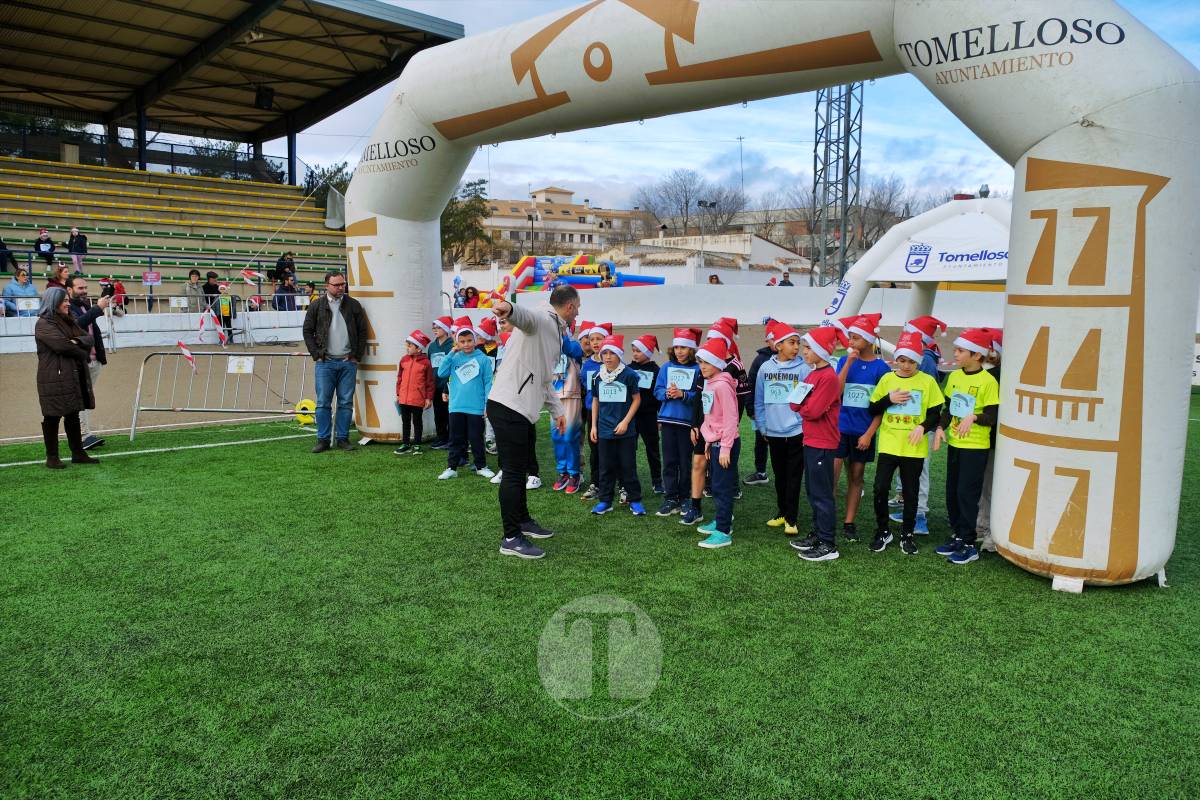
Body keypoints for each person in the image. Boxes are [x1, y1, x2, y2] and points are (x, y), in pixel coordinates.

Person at [486, 285, 579, 560]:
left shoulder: (555, 328)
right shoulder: (543, 318)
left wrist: (557, 411)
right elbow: (525, 317)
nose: (578, 312)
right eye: (578, 308)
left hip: (521, 409)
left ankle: (523, 521)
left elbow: (544, 378)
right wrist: (509, 309)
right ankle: (511, 538)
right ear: (570, 306)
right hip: (509, 406)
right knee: (513, 473)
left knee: (522, 469)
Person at [868, 330, 945, 555]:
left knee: (911, 493)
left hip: (914, 447)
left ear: (918, 361)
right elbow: (872, 408)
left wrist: (922, 427)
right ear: (896, 359)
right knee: (880, 488)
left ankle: (907, 534)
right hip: (889, 444)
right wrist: (888, 399)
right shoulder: (887, 379)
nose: (906, 365)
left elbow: (935, 413)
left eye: (911, 361)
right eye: (902, 360)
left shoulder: (927, 381)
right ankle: (883, 531)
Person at [932, 328, 1001, 566]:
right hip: (955, 444)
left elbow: (992, 416)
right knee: (952, 492)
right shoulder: (954, 377)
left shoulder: (988, 381)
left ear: (977, 355)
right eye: (956, 350)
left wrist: (974, 417)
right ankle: (958, 535)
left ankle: (969, 544)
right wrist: (940, 428)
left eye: (961, 351)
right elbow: (948, 409)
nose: (955, 354)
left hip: (976, 447)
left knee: (966, 493)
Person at [833, 314, 890, 543]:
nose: (851, 342)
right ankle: (826, 519)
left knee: (856, 476)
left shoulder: (881, 369)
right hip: (839, 429)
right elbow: (836, 393)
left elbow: (881, 407)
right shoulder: (843, 361)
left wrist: (869, 434)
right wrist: (848, 363)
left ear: (868, 340)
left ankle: (849, 522)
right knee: (832, 475)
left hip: (863, 432)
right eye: (850, 337)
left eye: (856, 338)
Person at [791, 327, 845, 562]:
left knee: (822, 494)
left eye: (808, 347)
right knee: (813, 491)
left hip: (823, 441)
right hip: (811, 439)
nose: (804, 351)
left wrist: (805, 405)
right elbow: (794, 403)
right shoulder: (813, 374)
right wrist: (805, 405)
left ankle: (828, 544)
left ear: (822, 351)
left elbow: (811, 411)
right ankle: (818, 534)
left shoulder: (828, 377)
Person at [889, 315, 947, 534]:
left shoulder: (926, 360)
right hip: (909, 425)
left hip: (920, 427)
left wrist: (923, 425)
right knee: (910, 469)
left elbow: (925, 396)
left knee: (920, 471)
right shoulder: (924, 356)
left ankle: (919, 516)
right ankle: (909, 508)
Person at [754, 321, 810, 536]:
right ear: (778, 345)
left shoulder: (804, 369)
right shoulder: (765, 368)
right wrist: (763, 427)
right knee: (779, 476)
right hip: (773, 432)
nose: (796, 347)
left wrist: (801, 425)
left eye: (798, 343)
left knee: (794, 476)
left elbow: (808, 401)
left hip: (796, 433)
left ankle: (791, 518)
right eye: (791, 343)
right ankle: (782, 512)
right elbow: (759, 400)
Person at [302, 271, 368, 452]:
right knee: (323, 402)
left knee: (345, 402)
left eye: (343, 284)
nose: (341, 287)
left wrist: (356, 355)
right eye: (336, 285)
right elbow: (307, 331)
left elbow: (363, 331)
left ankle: (342, 438)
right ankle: (323, 440)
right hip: (325, 362)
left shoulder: (353, 305)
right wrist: (316, 354)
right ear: (327, 286)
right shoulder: (316, 306)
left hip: (348, 362)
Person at [34, 287, 99, 469]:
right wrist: (80, 350)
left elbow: (89, 339)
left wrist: (76, 341)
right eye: (64, 300)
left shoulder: (69, 320)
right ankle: (52, 457)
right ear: (53, 302)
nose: (68, 303)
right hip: (53, 377)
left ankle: (78, 453)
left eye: (67, 300)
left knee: (73, 413)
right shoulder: (43, 323)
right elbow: (62, 346)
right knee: (52, 416)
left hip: (71, 374)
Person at [589, 334, 645, 516]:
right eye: (604, 353)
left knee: (628, 466)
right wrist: (594, 426)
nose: (608, 357)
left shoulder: (629, 375)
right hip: (604, 430)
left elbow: (637, 400)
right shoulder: (597, 376)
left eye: (612, 353)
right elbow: (595, 400)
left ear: (619, 354)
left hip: (625, 431)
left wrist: (625, 422)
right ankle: (605, 501)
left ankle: (635, 500)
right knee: (605, 467)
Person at [693, 337, 740, 549]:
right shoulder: (710, 383)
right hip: (715, 442)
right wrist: (708, 441)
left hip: (725, 444)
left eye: (708, 362)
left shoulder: (722, 386)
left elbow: (731, 418)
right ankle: (722, 520)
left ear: (718, 364)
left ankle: (723, 531)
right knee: (717, 486)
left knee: (722, 486)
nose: (702, 366)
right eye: (701, 362)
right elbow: (710, 416)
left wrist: (725, 448)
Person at [653, 327, 701, 518]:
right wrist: (667, 393)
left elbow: (699, 396)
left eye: (684, 347)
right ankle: (671, 497)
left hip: (687, 424)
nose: (680, 351)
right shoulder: (666, 368)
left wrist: (683, 394)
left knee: (685, 461)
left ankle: (685, 497)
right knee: (669, 461)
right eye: (677, 347)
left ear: (691, 350)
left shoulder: (698, 369)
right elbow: (657, 391)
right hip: (667, 421)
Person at [436, 324, 495, 479]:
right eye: (462, 341)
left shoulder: (483, 359)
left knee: (476, 438)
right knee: (455, 438)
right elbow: (441, 373)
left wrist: (487, 404)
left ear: (475, 340)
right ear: (457, 342)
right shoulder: (454, 358)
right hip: (456, 406)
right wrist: (451, 353)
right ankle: (452, 468)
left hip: (476, 407)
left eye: (469, 340)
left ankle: (481, 466)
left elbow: (488, 383)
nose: (466, 344)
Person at [66, 275, 112, 450]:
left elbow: (92, 329)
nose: (84, 291)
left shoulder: (84, 305)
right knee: (80, 398)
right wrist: (97, 308)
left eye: (85, 288)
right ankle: (84, 436)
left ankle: (84, 435)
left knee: (84, 398)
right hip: (80, 361)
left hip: (93, 359)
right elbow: (76, 326)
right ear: (69, 290)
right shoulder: (66, 307)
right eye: (80, 288)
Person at [550, 322, 586, 494]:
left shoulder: (574, 345)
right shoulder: (550, 347)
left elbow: (570, 349)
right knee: (557, 436)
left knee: (570, 436)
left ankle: (574, 473)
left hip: (571, 396)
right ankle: (563, 472)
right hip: (555, 398)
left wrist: (562, 332)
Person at [976, 328, 1003, 551]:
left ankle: (988, 532)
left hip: (991, 439)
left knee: (988, 487)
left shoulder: (994, 376)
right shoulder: (992, 374)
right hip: (984, 439)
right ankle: (982, 527)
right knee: (984, 486)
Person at [579, 321, 612, 498]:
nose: (595, 342)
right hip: (593, 411)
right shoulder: (587, 365)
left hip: (611, 412)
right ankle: (595, 483)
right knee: (595, 448)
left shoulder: (612, 361)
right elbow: (586, 385)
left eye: (599, 338)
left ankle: (616, 483)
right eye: (592, 339)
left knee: (611, 448)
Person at [743, 321, 777, 486]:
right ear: (767, 341)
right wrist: (751, 410)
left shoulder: (793, 361)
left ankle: (785, 472)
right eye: (773, 339)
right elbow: (750, 384)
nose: (777, 342)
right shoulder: (760, 360)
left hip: (783, 414)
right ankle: (761, 472)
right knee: (761, 442)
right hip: (762, 410)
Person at [630, 334, 663, 494]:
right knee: (629, 449)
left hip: (649, 416)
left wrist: (659, 417)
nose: (635, 354)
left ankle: (657, 481)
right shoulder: (628, 369)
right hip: (630, 417)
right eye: (633, 351)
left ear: (648, 352)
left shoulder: (656, 371)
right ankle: (628, 480)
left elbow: (659, 396)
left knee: (653, 449)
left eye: (639, 351)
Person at [393, 329, 435, 456]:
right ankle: (406, 443)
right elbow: (399, 378)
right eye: (407, 345)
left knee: (417, 422)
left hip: (417, 399)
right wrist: (398, 393)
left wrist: (428, 398)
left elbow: (430, 382)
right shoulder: (404, 360)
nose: (407, 348)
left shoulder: (426, 363)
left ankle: (417, 444)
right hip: (404, 398)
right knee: (405, 422)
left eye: (410, 346)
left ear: (418, 348)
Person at [428, 316, 454, 449]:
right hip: (435, 385)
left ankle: (451, 438)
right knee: (438, 413)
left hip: (448, 385)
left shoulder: (452, 345)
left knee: (450, 414)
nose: (435, 330)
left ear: (445, 328)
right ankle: (441, 437)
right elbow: (430, 365)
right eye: (434, 328)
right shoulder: (432, 346)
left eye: (438, 327)